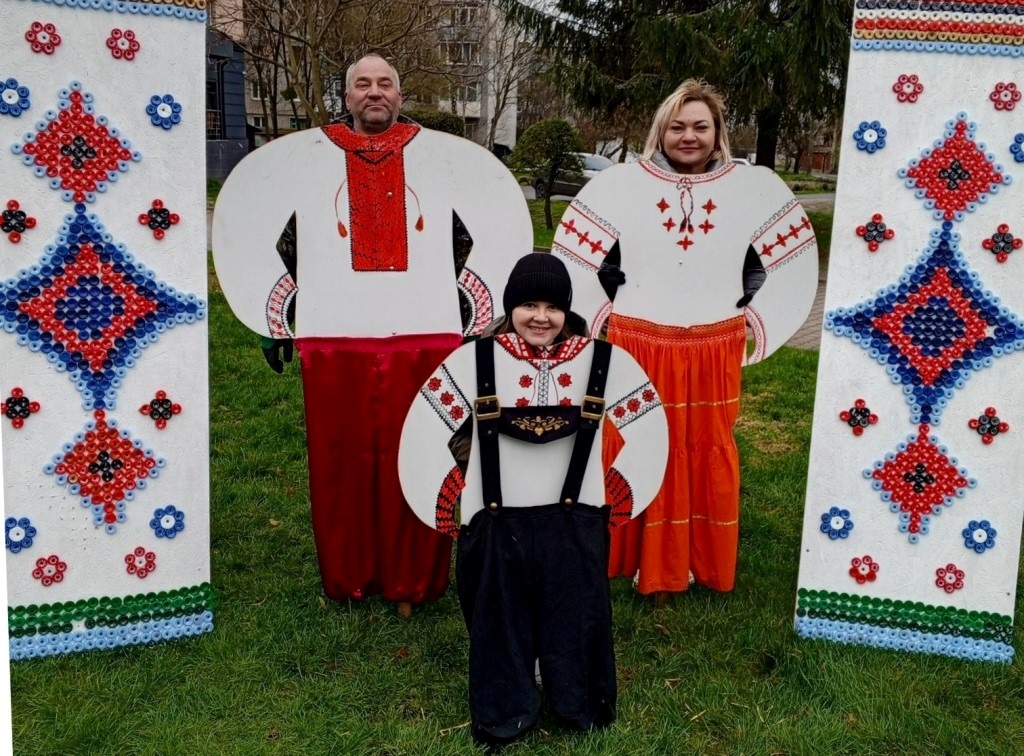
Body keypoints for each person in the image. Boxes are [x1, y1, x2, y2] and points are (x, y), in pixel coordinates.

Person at [211, 55, 532, 612]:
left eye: (385, 83)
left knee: (423, 452)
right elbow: (259, 228)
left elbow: (491, 228)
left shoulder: (445, 158)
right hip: (335, 338)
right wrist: (274, 310)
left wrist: (473, 309)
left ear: (400, 95)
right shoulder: (305, 158)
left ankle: (414, 579)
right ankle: (349, 575)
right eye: (363, 84)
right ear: (349, 95)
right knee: (341, 459)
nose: (374, 92)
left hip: (426, 335)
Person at [549, 80, 818, 598]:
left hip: (714, 343)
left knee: (704, 445)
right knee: (632, 440)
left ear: (717, 132)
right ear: (660, 131)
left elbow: (783, 262)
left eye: (700, 126)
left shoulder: (751, 188)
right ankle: (630, 557)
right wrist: (604, 313)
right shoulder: (622, 186)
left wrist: (750, 318)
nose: (688, 136)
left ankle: (698, 560)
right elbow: (579, 258)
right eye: (677, 126)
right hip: (637, 339)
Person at [398, 253, 669, 748]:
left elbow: (648, 425)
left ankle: (579, 702)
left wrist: (624, 491)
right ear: (510, 307)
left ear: (567, 311)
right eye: (527, 304)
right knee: (498, 619)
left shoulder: (603, 362)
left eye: (552, 306)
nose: (540, 316)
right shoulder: (474, 360)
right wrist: (443, 498)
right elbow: (425, 427)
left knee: (578, 613)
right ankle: (505, 709)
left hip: (577, 520)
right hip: (497, 521)